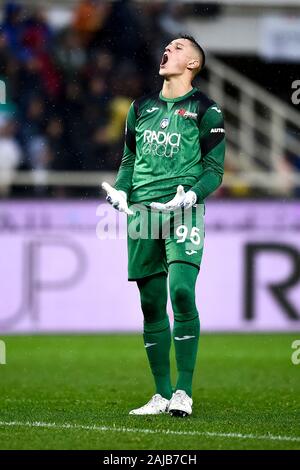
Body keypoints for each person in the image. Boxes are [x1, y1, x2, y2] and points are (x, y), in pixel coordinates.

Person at [102, 35, 225, 417]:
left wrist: (191, 196)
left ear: (193, 63)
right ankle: (161, 394)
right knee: (151, 304)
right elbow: (129, 160)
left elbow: (214, 171)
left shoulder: (207, 111)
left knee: (182, 291)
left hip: (183, 211)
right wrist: (122, 193)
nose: (167, 50)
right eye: (167, 47)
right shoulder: (140, 107)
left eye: (177, 47)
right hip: (142, 213)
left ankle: (184, 392)